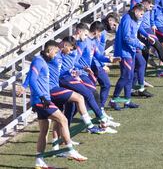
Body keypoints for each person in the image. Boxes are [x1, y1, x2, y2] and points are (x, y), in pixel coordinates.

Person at [27, 40, 87, 168]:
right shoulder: (38, 61)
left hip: (41, 100)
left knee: (43, 131)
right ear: (49, 51)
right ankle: (70, 151)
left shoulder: (44, 61)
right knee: (63, 120)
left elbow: (31, 76)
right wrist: (42, 97)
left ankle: (39, 161)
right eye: (55, 51)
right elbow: (32, 79)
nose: (57, 54)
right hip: (41, 101)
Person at [59, 23, 120, 129]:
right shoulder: (78, 45)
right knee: (92, 93)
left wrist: (109, 59)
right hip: (79, 75)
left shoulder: (90, 42)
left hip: (83, 73)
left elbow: (97, 55)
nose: (87, 37)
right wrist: (81, 68)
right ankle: (102, 120)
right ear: (79, 32)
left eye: (87, 35)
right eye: (85, 35)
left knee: (73, 104)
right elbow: (74, 61)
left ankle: (66, 129)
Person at [111, 4, 146, 108]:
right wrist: (140, 45)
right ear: (136, 10)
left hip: (130, 51)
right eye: (141, 13)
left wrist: (139, 44)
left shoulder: (133, 19)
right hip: (124, 52)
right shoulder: (127, 19)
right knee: (125, 76)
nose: (142, 16)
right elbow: (127, 38)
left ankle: (127, 100)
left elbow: (132, 36)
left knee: (130, 77)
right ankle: (113, 100)